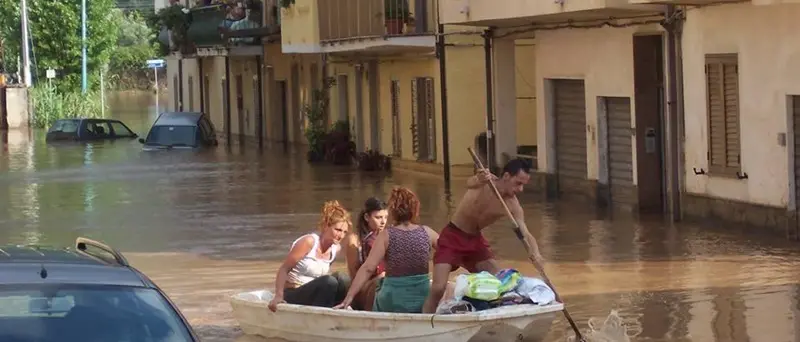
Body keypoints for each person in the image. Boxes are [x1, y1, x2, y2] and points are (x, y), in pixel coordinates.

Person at [421, 158, 539, 313]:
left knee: (500, 284)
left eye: (523, 185)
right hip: (453, 236)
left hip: (475, 242)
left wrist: (535, 253)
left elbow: (525, 232)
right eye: (518, 183)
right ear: (506, 177)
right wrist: (479, 178)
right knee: (438, 288)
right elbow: (469, 183)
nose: (520, 189)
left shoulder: (512, 204)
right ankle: (426, 320)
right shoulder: (485, 181)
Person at [334, 187, 439, 313]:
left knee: (376, 289)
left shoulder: (386, 235)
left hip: (393, 300)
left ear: (393, 211)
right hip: (423, 298)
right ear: (415, 209)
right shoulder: (428, 232)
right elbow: (451, 254)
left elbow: (368, 268)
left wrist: (349, 297)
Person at [268, 200, 352, 312]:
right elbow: (284, 269)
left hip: (314, 295)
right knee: (329, 282)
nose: (341, 235)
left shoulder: (335, 249)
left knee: (343, 279)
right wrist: (278, 295)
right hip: (294, 293)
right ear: (326, 226)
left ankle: (340, 311)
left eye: (344, 232)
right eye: (337, 230)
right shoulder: (309, 242)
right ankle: (321, 315)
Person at [343, 197, 388, 310]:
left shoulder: (387, 237)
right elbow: (354, 276)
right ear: (367, 217)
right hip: (362, 289)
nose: (383, 222)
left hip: (385, 285)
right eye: (378, 217)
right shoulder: (354, 241)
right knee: (380, 280)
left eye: (385, 217)